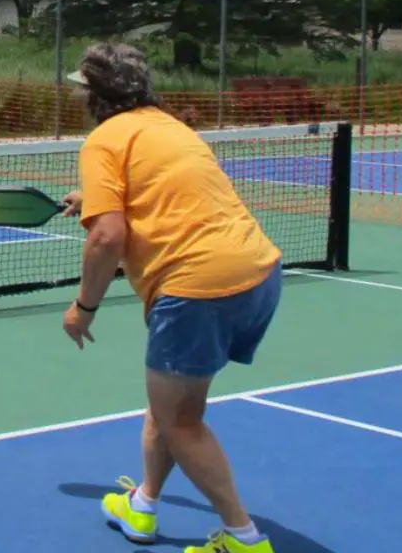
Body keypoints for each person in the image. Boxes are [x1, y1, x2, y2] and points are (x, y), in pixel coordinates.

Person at [59, 42, 281, 553]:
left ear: (95, 94)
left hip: (196, 288)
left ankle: (243, 538)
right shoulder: (171, 126)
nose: (76, 96)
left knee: (180, 420)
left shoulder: (103, 139)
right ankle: (143, 507)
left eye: (81, 88)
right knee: (171, 407)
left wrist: (83, 307)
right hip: (258, 272)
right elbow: (161, 190)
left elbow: (107, 238)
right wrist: (90, 198)